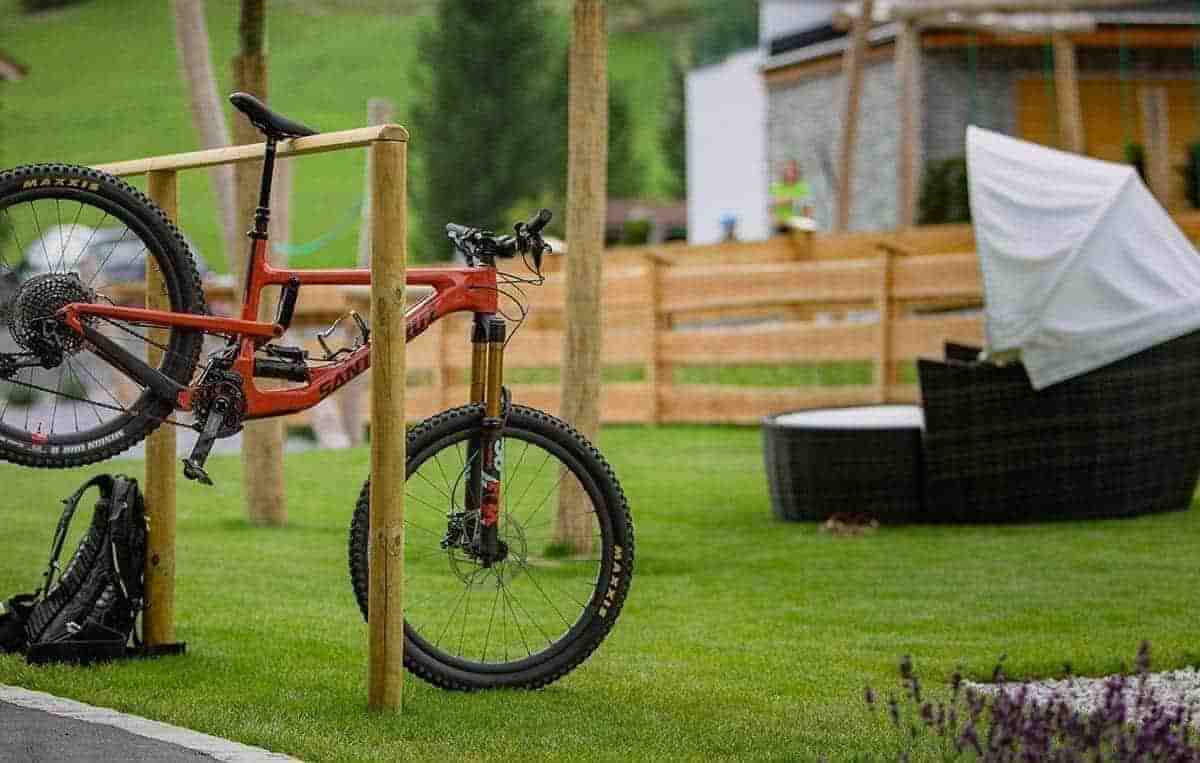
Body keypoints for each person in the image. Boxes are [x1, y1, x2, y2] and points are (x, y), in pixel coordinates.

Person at [770, 160, 812, 234]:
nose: (791, 173)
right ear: (783, 172)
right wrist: (788, 200)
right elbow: (773, 205)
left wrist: (806, 221)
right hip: (781, 223)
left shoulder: (803, 187)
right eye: (788, 170)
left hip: (798, 223)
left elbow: (808, 208)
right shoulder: (776, 186)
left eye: (793, 171)